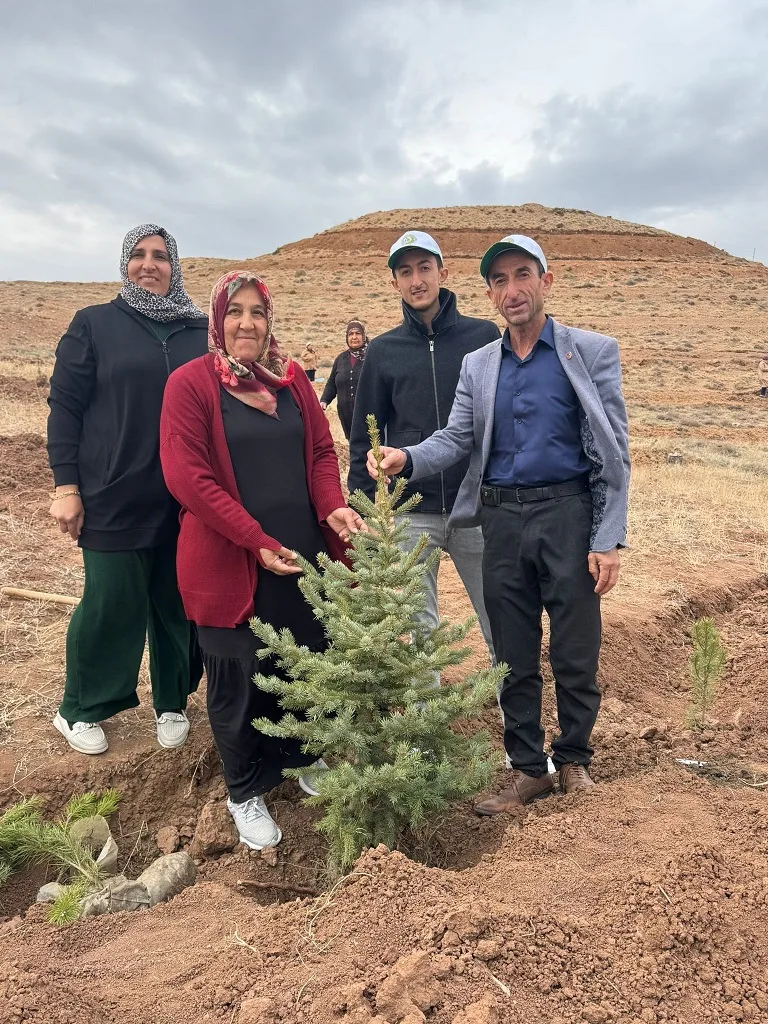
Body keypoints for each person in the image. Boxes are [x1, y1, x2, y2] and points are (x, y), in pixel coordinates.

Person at [367, 234, 630, 810]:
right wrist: (406, 458)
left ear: (545, 280)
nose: (512, 291)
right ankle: (530, 768)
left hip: (568, 513)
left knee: (574, 646)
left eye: (522, 276)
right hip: (499, 520)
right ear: (489, 292)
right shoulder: (479, 363)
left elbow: (614, 453)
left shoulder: (591, 351)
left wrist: (608, 538)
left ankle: (576, 760)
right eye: (500, 281)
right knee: (511, 650)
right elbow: (458, 437)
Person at [160, 270, 362, 850]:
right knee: (238, 677)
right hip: (231, 560)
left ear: (268, 319)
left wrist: (332, 508)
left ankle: (300, 756)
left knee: (299, 660)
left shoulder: (291, 379)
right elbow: (188, 478)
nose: (246, 322)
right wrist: (254, 538)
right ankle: (243, 790)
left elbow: (322, 451)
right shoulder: (190, 384)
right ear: (217, 320)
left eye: (257, 312)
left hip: (298, 550)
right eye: (235, 312)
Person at [46, 224, 208, 756]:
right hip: (112, 494)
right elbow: (65, 409)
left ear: (174, 264)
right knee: (111, 602)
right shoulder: (94, 324)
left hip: (184, 499)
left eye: (160, 255)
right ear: (125, 263)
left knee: (176, 602)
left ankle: (172, 701)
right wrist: (66, 485)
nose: (149, 264)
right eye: (138, 255)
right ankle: (81, 707)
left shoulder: (198, 331)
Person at [348, 230, 499, 665]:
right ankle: (421, 733)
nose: (416, 280)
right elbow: (366, 436)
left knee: (499, 617)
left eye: (424, 268)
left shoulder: (483, 336)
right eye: (405, 271)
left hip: (477, 507)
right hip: (412, 511)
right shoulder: (382, 351)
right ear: (394, 283)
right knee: (419, 630)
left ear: (443, 273)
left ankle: (517, 723)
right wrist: (360, 512)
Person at [320, 320, 368, 439]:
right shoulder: (340, 359)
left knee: (373, 447)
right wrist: (324, 400)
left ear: (364, 336)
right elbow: (332, 383)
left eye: (358, 333)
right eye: (350, 334)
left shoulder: (371, 356)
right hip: (346, 414)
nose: (354, 337)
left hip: (369, 413)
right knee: (353, 446)